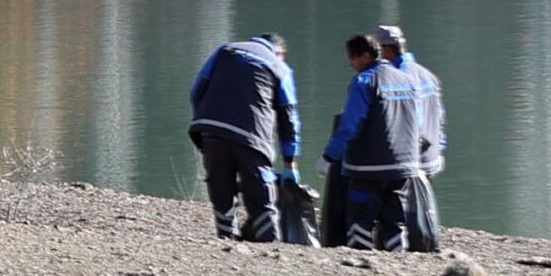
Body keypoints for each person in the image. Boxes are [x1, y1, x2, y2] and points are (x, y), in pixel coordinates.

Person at [187, 33, 299, 242]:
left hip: (211, 132)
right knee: (261, 195)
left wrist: (205, 123)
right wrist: (290, 162)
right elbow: (289, 118)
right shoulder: (279, 66)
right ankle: (270, 246)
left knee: (221, 191)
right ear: (279, 52)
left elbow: (196, 91)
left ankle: (226, 240)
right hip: (252, 138)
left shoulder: (225, 51)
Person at [322, 33, 424, 252]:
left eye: (353, 58)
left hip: (368, 166)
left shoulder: (364, 81)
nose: (351, 63)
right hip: (403, 165)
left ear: (366, 56)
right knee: (395, 218)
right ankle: (398, 260)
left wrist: (329, 156)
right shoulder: (408, 80)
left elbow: (351, 124)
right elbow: (419, 123)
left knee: (360, 217)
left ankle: (362, 261)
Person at [374, 23, 448, 251]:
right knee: (420, 205)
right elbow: (441, 118)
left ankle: (404, 246)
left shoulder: (399, 78)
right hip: (433, 156)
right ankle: (422, 241)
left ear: (386, 50)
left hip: (413, 157)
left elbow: (413, 124)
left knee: (396, 203)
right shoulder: (427, 75)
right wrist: (439, 148)